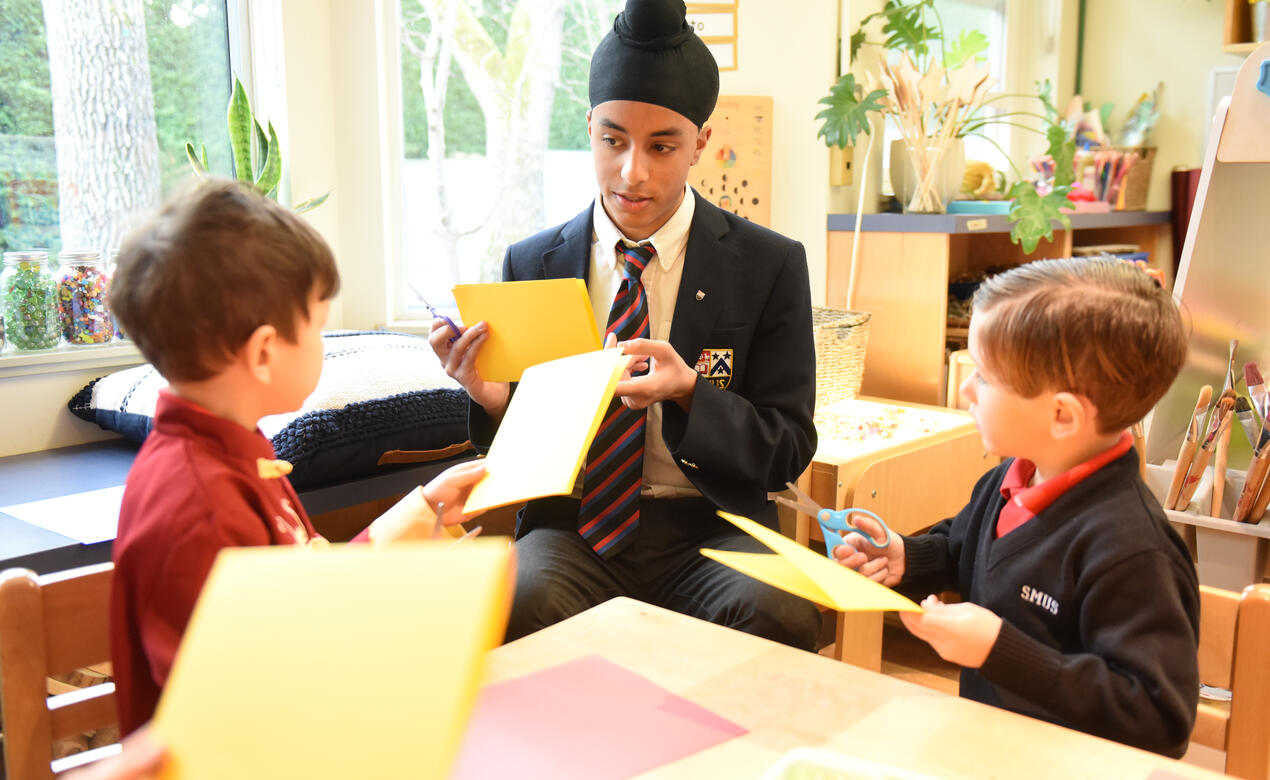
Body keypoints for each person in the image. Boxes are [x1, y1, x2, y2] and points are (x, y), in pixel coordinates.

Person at [430, 0, 822, 650]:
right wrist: (495, 398)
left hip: (713, 526)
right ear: (588, 127)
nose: (631, 171)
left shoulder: (768, 265)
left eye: (662, 146)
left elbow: (789, 445)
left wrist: (690, 393)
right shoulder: (532, 263)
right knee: (515, 603)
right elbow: (522, 461)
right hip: (574, 528)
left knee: (779, 609)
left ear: (702, 141)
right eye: (612, 140)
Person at [107, 179, 489, 735]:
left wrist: (421, 510)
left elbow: (304, 585)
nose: (324, 342)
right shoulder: (200, 506)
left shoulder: (235, 451)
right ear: (265, 351)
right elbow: (247, 715)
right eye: (316, 324)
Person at [835, 257, 1199, 756]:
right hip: (986, 749)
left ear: (1062, 416)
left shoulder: (1132, 550)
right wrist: (907, 557)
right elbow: (961, 549)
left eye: (984, 377)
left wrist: (999, 650)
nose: (965, 388)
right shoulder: (1006, 481)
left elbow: (1158, 720)